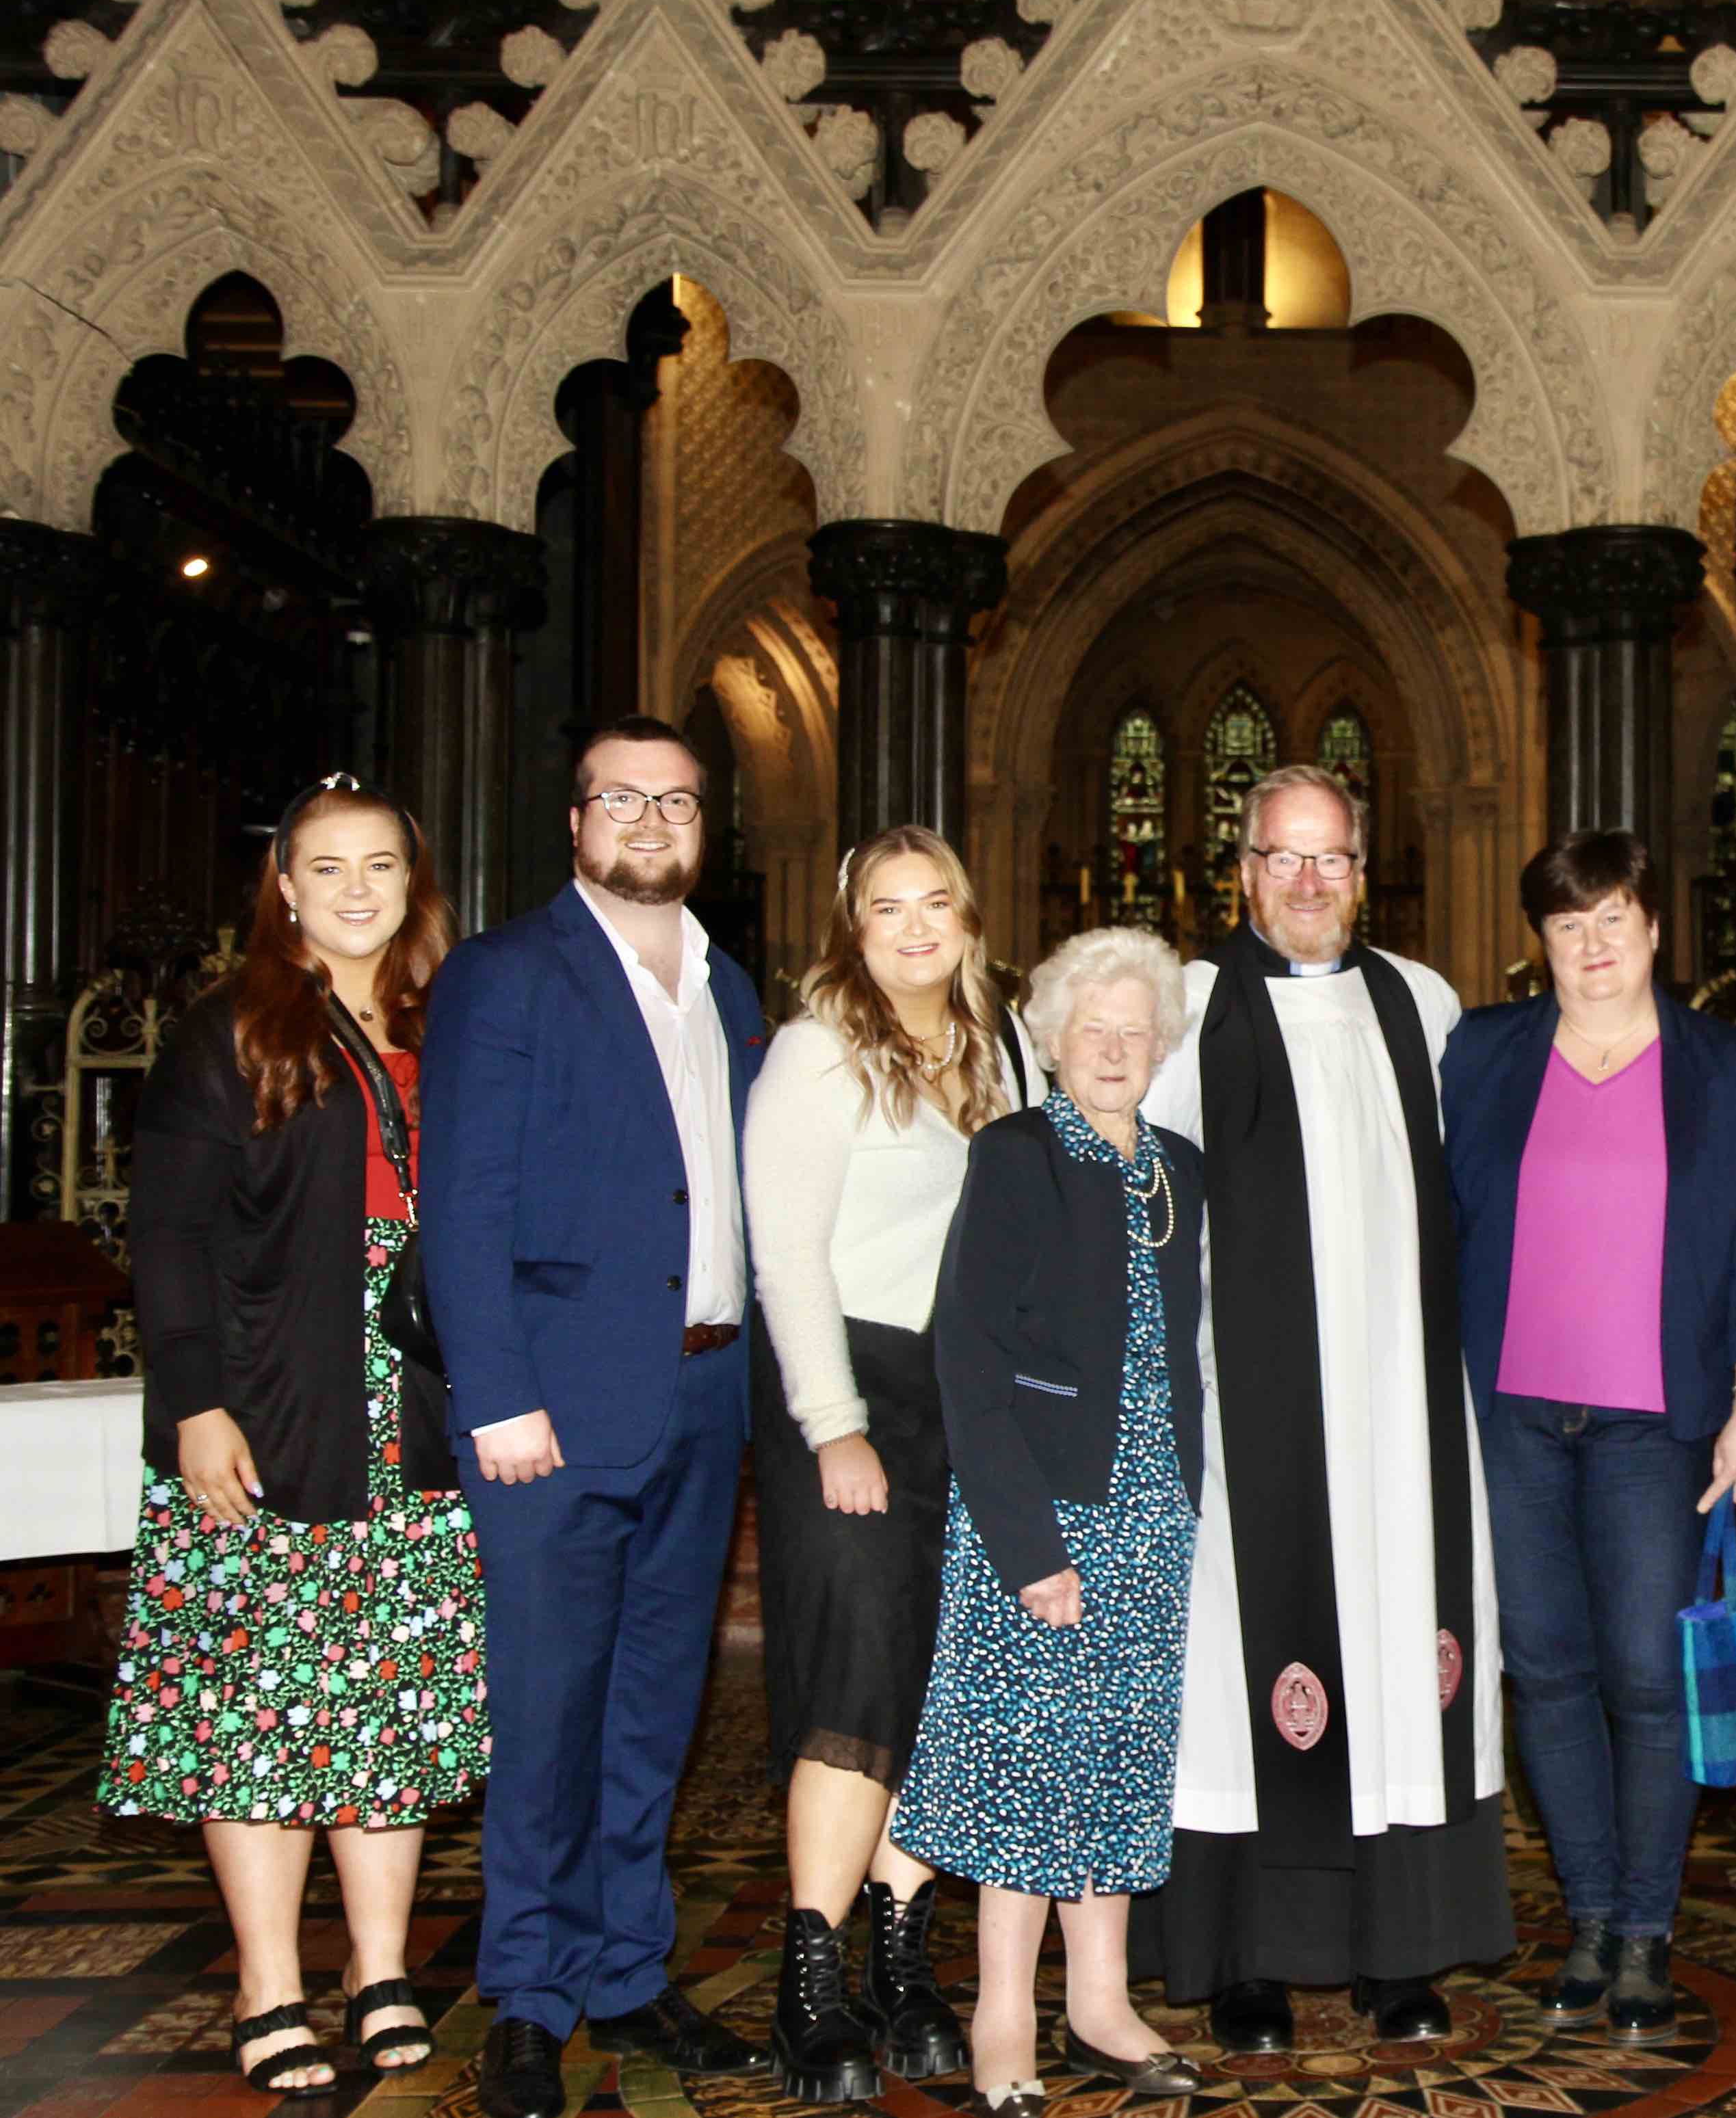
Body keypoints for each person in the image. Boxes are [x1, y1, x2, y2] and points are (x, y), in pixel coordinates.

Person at [100, 776, 483, 2098]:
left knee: (393, 1706)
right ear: (285, 887)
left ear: (412, 882)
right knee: (254, 1709)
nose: (359, 889)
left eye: (382, 864)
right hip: (270, 1402)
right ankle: (270, 1983)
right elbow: (167, 1234)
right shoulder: (231, 1029)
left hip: (419, 1413)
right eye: (330, 868)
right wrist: (192, 1403)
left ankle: (379, 1969)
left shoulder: (457, 1019)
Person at [422, 716, 772, 2118]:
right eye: (619, 797)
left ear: (704, 828)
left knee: (650, 1711)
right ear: (574, 822)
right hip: (551, 1414)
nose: (647, 819)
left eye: (674, 800)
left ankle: (627, 1969)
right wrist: (497, 1393)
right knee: (548, 1715)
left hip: (700, 1395)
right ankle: (526, 1992)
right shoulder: (506, 975)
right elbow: (465, 1203)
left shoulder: (729, 986)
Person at [1134, 764, 1510, 2051]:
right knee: (1249, 1673)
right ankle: (1244, 1958)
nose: (1307, 882)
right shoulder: (1187, 1011)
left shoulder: (1426, 1004)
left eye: (1331, 859)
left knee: (1405, 1658)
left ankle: (1396, 1951)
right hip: (1253, 1423)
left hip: (1403, 1414)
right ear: (1241, 870)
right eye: (1283, 859)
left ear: (1364, 871)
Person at [1439, 830, 1736, 2041]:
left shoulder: (1721, 1062)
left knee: (1646, 1679)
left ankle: (1647, 1928)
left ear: (1652, 929)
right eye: (1567, 924)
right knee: (1544, 1670)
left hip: (1655, 1419)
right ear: (1543, 942)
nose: (1592, 945)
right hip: (1517, 1413)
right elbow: (1439, 1222)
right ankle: (1586, 1913)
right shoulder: (1483, 1052)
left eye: (1613, 919)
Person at [742, 826, 1047, 2100]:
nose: (916, 927)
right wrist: (833, 1420)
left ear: (971, 921)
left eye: (938, 904)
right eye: (887, 907)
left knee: (939, 1671)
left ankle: (903, 1961)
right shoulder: (816, 1051)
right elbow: (786, 1256)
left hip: (964, 1394)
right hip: (850, 1384)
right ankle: (810, 1975)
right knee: (857, 1663)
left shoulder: (1003, 1048)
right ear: (851, 927)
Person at [889, 929, 1211, 2116]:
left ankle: (1103, 2000)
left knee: (1122, 1756)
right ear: (1053, 1038)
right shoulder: (1016, 1153)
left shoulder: (1180, 1166)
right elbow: (968, 1359)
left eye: (1137, 1029)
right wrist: (1028, 1545)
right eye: (1094, 1027)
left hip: (1152, 1513)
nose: (1116, 1048)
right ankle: (1005, 2010)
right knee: (1025, 1764)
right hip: (1041, 1510)